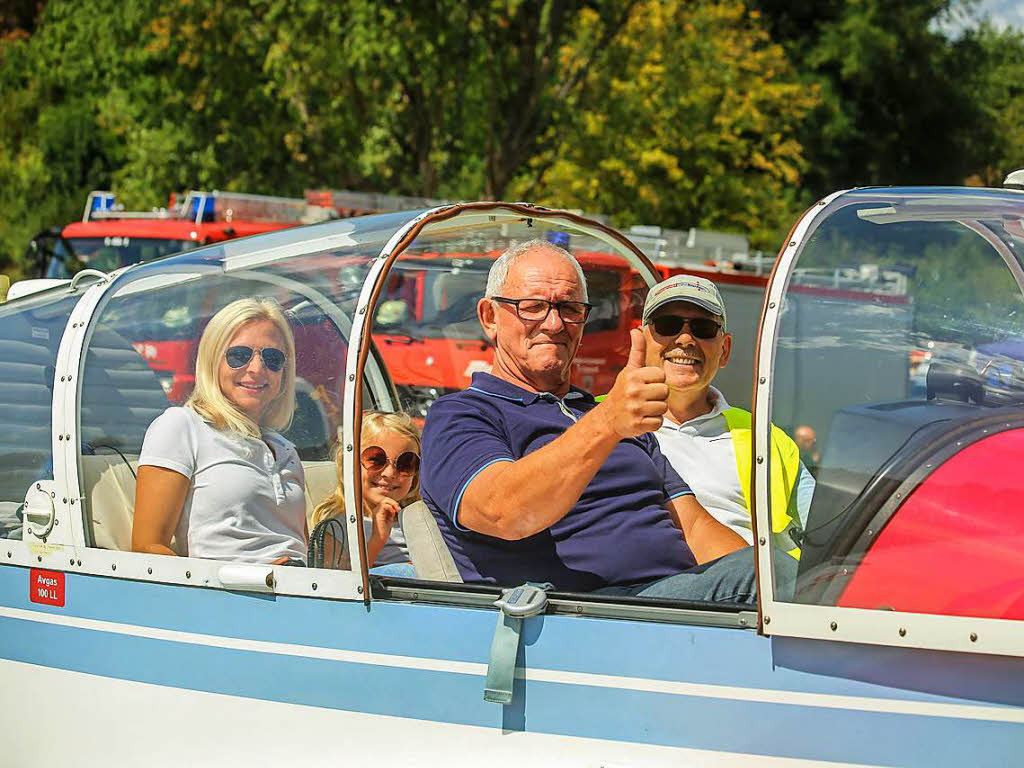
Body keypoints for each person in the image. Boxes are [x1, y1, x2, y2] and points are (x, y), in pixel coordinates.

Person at [420, 239, 758, 601]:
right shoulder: (460, 415)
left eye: (569, 309)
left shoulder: (604, 415)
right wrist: (607, 423)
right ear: (490, 317)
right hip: (585, 614)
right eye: (533, 307)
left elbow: (692, 527)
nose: (554, 323)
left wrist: (769, 572)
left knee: (793, 575)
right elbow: (504, 512)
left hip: (673, 605)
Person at [640, 274, 815, 558]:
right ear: (638, 342)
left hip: (748, 597)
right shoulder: (593, 420)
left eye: (703, 328)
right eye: (667, 325)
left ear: (725, 350)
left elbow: (829, 534)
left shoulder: (767, 440)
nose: (685, 339)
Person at [131, 297, 308, 565]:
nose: (257, 369)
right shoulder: (183, 426)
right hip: (232, 600)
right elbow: (147, 550)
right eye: (239, 355)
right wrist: (252, 579)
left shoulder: (285, 450)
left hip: (303, 594)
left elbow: (298, 547)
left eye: (273, 358)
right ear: (213, 360)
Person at [310, 411, 420, 576]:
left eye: (405, 463)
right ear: (349, 463)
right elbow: (341, 587)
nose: (389, 473)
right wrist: (377, 539)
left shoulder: (420, 520)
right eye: (375, 460)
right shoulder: (338, 527)